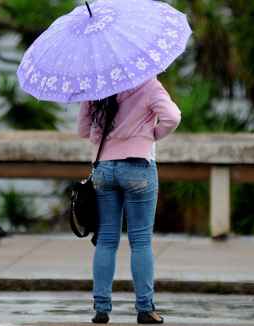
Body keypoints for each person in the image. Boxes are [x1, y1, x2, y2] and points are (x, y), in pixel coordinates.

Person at [78, 77, 182, 324]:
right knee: (141, 241)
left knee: (106, 241)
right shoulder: (147, 83)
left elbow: (82, 130)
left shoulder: (96, 83)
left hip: (104, 168)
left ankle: (101, 309)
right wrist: (149, 135)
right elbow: (173, 117)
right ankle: (145, 309)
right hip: (138, 166)